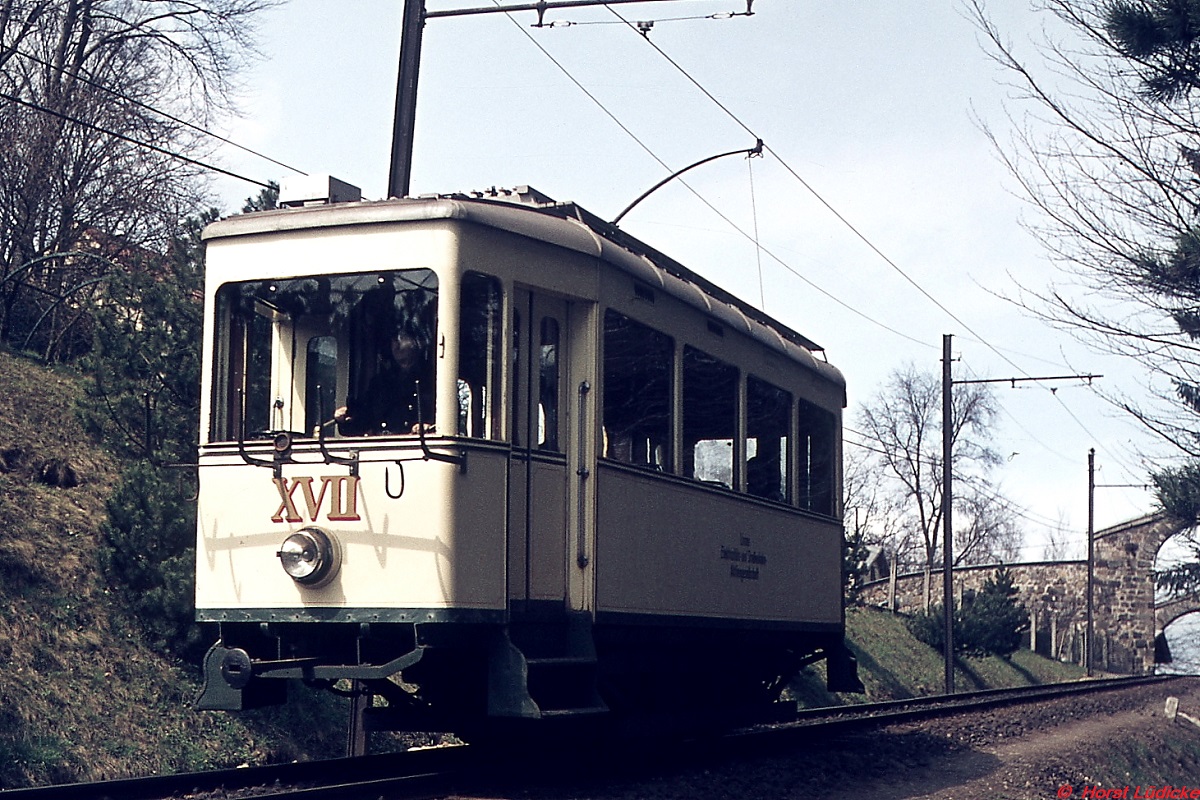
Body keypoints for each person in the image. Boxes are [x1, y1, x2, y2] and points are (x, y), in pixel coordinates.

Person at [335, 332, 434, 435]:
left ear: (417, 342)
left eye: (402, 338)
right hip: (383, 447)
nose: (396, 345)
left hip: (417, 448)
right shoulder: (380, 383)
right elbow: (364, 420)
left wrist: (429, 427)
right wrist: (344, 419)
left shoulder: (433, 378)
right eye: (393, 341)